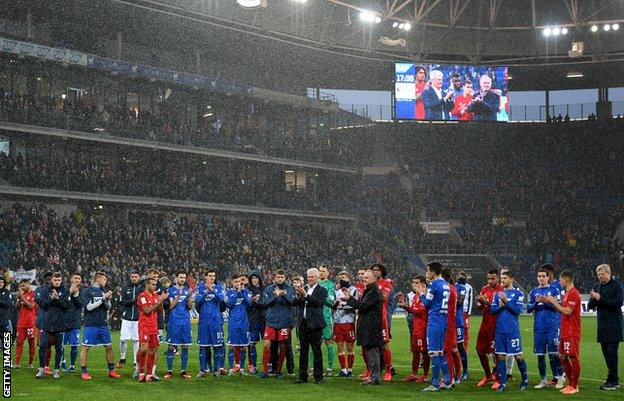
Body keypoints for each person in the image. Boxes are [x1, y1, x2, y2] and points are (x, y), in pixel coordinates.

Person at [341, 269, 382, 385]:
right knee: (370, 352)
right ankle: (373, 376)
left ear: (374, 279)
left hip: (371, 327)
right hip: (368, 326)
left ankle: (375, 377)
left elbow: (363, 307)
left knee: (372, 352)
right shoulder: (370, 290)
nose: (364, 279)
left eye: (367, 278)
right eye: (364, 277)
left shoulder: (373, 291)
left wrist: (349, 299)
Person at [490, 270, 528, 392]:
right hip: (500, 330)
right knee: (501, 356)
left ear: (511, 279)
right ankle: (502, 384)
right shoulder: (498, 294)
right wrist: (500, 306)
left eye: (505, 278)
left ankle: (524, 380)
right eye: (501, 278)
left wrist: (506, 302)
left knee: (518, 356)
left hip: (512, 330)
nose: (502, 281)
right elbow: (492, 311)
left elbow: (518, 311)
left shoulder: (518, 294)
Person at [544, 270, 582, 395]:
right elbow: (563, 310)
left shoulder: (573, 293)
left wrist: (555, 303)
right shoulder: (567, 293)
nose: (559, 282)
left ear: (565, 280)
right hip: (565, 330)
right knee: (562, 356)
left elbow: (568, 311)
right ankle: (570, 383)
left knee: (573, 357)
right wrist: (551, 302)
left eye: (560, 280)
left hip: (572, 331)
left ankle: (574, 385)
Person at [80, 271, 122, 380]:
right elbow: (88, 307)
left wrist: (107, 300)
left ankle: (111, 371)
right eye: (104, 279)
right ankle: (84, 372)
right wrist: (103, 299)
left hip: (103, 324)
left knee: (108, 347)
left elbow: (108, 307)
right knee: (85, 348)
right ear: (98, 280)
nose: (106, 281)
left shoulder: (103, 291)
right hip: (91, 324)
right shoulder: (87, 291)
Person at [528, 268, 565, 389]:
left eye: (543, 276)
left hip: (552, 326)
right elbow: (528, 309)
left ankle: (560, 377)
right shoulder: (533, 291)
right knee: (540, 355)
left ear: (548, 277)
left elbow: (559, 306)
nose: (541, 278)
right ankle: (543, 380)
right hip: (539, 328)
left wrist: (547, 301)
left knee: (555, 354)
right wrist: (536, 302)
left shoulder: (554, 289)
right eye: (539, 276)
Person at [588, 264, 623, 391]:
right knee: (606, 354)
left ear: (609, 273)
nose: (600, 276)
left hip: (614, 325)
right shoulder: (597, 286)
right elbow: (592, 306)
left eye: (602, 274)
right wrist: (593, 299)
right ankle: (613, 380)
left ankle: (613, 380)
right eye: (598, 274)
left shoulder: (616, 285)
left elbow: (618, 303)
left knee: (612, 354)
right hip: (602, 325)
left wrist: (600, 299)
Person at [419, 261, 452, 392]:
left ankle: (435, 383)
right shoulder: (446, 285)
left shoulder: (433, 285)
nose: (427, 273)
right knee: (440, 352)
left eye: (428, 271)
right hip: (443, 320)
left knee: (433, 353)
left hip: (434, 321)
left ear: (432, 272)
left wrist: (422, 293)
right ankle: (448, 380)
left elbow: (426, 304)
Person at [293, 267, 327, 384]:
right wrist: (298, 296)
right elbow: (296, 304)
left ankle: (318, 377)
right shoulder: (305, 288)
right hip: (303, 323)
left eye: (312, 277)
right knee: (303, 351)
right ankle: (303, 377)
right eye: (308, 277)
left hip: (315, 324)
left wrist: (305, 295)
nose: (310, 279)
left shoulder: (322, 289)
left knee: (316, 350)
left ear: (317, 277)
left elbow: (319, 303)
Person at [260, 269, 295, 379]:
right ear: (275, 278)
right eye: (278, 277)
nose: (280, 279)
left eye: (282, 277)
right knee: (266, 344)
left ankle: (278, 371)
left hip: (284, 321)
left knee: (283, 345)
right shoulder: (269, 289)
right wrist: (275, 296)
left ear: (285, 278)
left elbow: (292, 302)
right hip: (271, 320)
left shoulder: (289, 289)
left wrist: (283, 295)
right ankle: (265, 371)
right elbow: (265, 303)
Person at [34, 272, 70, 379]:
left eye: (59, 280)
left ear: (61, 280)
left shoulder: (65, 291)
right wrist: (51, 298)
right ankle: (41, 369)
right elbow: (42, 304)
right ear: (52, 280)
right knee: (43, 345)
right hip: (46, 323)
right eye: (55, 280)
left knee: (59, 348)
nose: (57, 282)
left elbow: (67, 306)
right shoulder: (45, 290)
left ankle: (56, 370)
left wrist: (57, 299)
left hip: (59, 324)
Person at [398, 275, 429, 383]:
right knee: (415, 351)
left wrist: (407, 307)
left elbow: (421, 312)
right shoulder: (416, 296)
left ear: (423, 285)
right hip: (416, 327)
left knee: (424, 352)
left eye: (416, 283)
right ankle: (414, 374)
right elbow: (414, 311)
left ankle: (425, 375)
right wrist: (405, 306)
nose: (414, 285)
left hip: (423, 328)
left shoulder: (425, 296)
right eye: (413, 282)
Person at [137, 277, 168, 382]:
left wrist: (161, 301)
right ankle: (141, 372)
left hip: (154, 326)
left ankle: (149, 374)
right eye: (153, 284)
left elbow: (159, 311)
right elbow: (146, 311)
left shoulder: (156, 296)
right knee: (144, 348)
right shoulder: (142, 296)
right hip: (144, 326)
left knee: (153, 350)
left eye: (155, 285)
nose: (155, 286)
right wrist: (159, 302)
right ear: (147, 284)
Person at [195, 268, 226, 377]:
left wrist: (212, 290)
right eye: (210, 276)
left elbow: (221, 298)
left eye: (213, 276)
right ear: (205, 277)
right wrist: (206, 293)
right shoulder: (200, 288)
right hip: (204, 322)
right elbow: (197, 301)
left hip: (216, 322)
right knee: (203, 347)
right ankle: (202, 370)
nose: (212, 278)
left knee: (217, 347)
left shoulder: (219, 288)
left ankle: (216, 370)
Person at [476, 269, 503, 387]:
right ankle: (488, 375)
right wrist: (480, 303)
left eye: (493, 278)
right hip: (485, 324)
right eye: (488, 279)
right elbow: (479, 307)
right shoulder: (484, 289)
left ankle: (498, 378)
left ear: (498, 278)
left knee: (496, 352)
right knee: (480, 350)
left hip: (496, 324)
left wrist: (486, 302)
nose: (490, 281)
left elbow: (499, 307)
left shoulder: (502, 291)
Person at [164, 270, 194, 379]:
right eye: (180, 277)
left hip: (185, 321)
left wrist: (189, 297)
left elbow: (190, 307)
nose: (182, 279)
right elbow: (170, 307)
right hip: (174, 321)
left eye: (184, 278)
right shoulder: (170, 290)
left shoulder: (187, 290)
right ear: (176, 278)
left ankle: (183, 371)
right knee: (171, 346)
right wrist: (179, 296)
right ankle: (169, 371)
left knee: (185, 345)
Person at [371, 263, 394, 381]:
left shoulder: (386, 283)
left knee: (384, 345)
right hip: (371, 318)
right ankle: (372, 371)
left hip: (381, 317)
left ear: (382, 272)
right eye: (373, 270)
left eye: (377, 270)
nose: (375, 272)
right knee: (370, 345)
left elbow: (384, 297)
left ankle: (389, 371)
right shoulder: (370, 283)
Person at [332, 270, 357, 377]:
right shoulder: (336, 291)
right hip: (338, 322)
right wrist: (335, 305)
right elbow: (332, 307)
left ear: (348, 278)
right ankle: (343, 370)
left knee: (350, 348)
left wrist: (342, 306)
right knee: (340, 347)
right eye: (340, 277)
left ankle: (350, 370)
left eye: (344, 277)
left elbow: (355, 305)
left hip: (349, 322)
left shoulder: (354, 290)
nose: (342, 279)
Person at [225, 273, 252, 374]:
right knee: (232, 345)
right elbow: (229, 305)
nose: (238, 283)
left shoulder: (246, 291)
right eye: (236, 282)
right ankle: (232, 367)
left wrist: (242, 293)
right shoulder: (229, 293)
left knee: (243, 346)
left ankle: (241, 368)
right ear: (232, 282)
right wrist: (237, 293)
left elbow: (249, 304)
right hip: (233, 322)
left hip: (244, 322)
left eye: (240, 281)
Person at [117, 271, 142, 375]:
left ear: (139, 277)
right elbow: (122, 301)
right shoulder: (125, 288)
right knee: (122, 340)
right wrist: (133, 301)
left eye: (136, 277)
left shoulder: (141, 288)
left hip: (137, 318)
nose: (134, 278)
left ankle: (136, 362)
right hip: (126, 318)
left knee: (136, 341)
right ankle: (123, 358)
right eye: (132, 277)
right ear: (130, 277)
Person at [61, 272, 83, 373]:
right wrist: (70, 292)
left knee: (74, 345)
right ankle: (63, 362)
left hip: (75, 322)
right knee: (61, 345)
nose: (77, 280)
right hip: (64, 321)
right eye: (75, 278)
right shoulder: (65, 290)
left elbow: (80, 305)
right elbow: (62, 302)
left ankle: (72, 366)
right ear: (71, 279)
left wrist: (75, 294)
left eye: (79, 278)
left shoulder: (82, 292)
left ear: (81, 281)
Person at [441, 268, 461, 385]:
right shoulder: (452, 288)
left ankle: (452, 377)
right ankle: (454, 376)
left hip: (447, 323)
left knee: (450, 350)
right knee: (452, 350)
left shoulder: (447, 288)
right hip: (450, 322)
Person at [318, 265, 336, 376]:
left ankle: (329, 368)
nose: (321, 273)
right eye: (320, 271)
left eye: (323, 271)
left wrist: (319, 296)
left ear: (328, 273)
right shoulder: (315, 284)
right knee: (314, 343)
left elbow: (330, 301)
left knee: (328, 342)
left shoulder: (330, 285)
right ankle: (312, 367)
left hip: (326, 318)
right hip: (314, 318)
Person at [247, 270, 266, 374]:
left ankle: (266, 365)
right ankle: (253, 366)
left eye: (256, 278)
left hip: (263, 320)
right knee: (252, 344)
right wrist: (251, 303)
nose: (254, 280)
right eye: (252, 278)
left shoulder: (265, 289)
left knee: (266, 343)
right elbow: (246, 305)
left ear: (259, 279)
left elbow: (266, 304)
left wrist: (256, 303)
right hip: (252, 320)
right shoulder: (248, 290)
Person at [15, 279, 37, 369]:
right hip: (21, 323)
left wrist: (22, 298)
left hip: (30, 323)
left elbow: (32, 306)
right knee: (19, 343)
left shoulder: (34, 294)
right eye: (20, 286)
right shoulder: (22, 295)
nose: (22, 288)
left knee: (31, 343)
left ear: (28, 285)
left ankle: (31, 363)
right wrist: (18, 299)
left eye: (23, 286)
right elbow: (17, 307)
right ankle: (17, 363)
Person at [458, 271, 473, 376]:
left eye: (463, 276)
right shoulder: (456, 286)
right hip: (458, 313)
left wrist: (469, 312)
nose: (461, 277)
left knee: (465, 331)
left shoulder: (469, 287)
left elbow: (470, 299)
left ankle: (465, 348)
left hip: (464, 313)